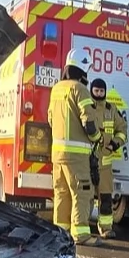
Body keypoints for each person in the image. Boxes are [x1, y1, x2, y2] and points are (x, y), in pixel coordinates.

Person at [47, 49, 102, 245]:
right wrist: (97, 137)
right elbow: (89, 122)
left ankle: (61, 233)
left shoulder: (56, 89)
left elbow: (50, 119)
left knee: (61, 192)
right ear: (83, 70)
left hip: (57, 153)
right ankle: (81, 234)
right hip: (77, 155)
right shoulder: (80, 89)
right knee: (82, 192)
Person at [88, 78, 127, 238]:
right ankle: (82, 227)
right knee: (86, 197)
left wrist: (115, 144)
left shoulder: (111, 110)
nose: (99, 94)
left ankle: (105, 228)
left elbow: (122, 129)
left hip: (105, 165)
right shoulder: (86, 107)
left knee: (105, 198)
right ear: (91, 90)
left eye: (101, 91)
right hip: (87, 163)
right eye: (96, 91)